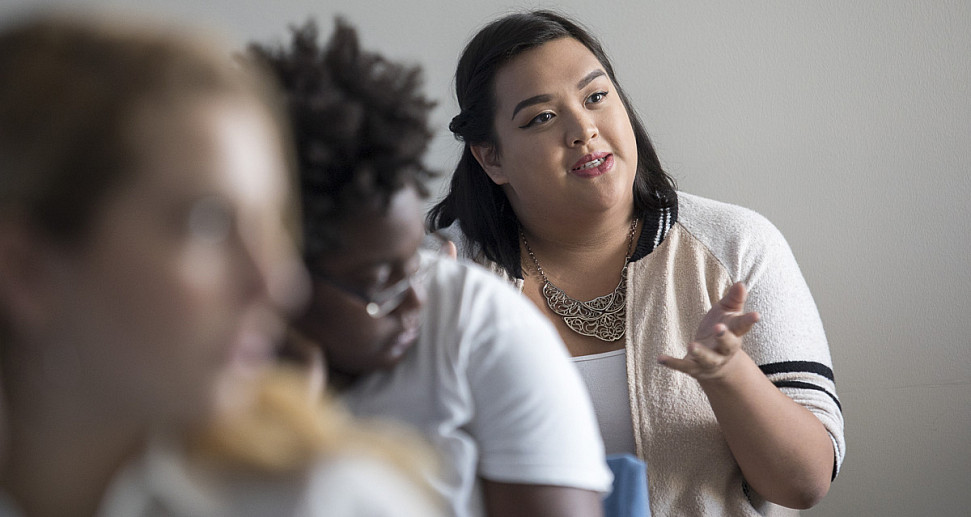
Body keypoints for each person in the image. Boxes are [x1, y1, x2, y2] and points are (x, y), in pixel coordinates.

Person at [0, 12, 440, 517]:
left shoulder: (326, 502)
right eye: (206, 223)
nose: (278, 285)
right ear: (27, 270)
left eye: (272, 221)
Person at [428, 10, 846, 516]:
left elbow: (804, 484)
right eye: (541, 117)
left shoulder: (736, 245)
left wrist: (727, 373)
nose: (583, 129)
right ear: (491, 158)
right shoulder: (441, 277)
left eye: (595, 97)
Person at [249, 19, 613, 517]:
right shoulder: (189, 367)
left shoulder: (474, 320)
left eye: (414, 264)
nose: (415, 300)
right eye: (379, 282)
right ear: (270, 275)